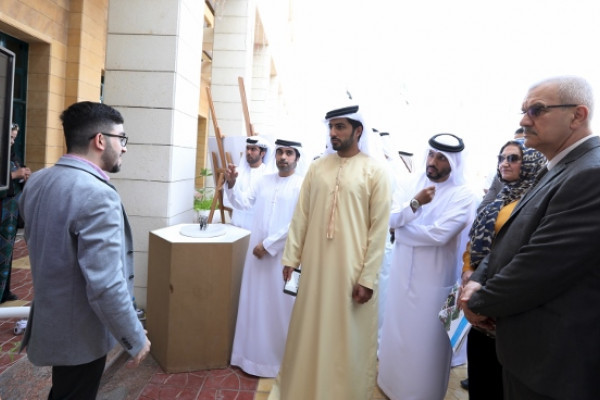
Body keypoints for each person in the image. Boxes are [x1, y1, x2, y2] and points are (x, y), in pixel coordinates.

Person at [460, 76, 600, 399]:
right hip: (527, 354)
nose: (524, 121)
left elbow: (539, 266)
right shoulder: (556, 168)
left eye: (536, 110)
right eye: (523, 111)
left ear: (577, 115)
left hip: (553, 366)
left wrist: (477, 301)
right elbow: (508, 239)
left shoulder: (591, 173)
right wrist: (476, 279)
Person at [18, 101, 151, 399]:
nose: (124, 148)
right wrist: (134, 336)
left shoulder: (37, 180)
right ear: (100, 140)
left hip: (52, 321)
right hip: (81, 333)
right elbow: (107, 284)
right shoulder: (97, 195)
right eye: (121, 138)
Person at [268, 104, 391, 400]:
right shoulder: (317, 168)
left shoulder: (375, 171)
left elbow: (379, 231)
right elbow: (301, 216)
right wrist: (291, 257)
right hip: (314, 269)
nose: (333, 133)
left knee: (347, 338)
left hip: (352, 273)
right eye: (331, 127)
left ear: (357, 131)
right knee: (308, 331)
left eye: (340, 127)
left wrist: (367, 278)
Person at [377, 133, 476, 400]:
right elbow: (389, 218)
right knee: (396, 334)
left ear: (454, 162)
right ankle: (389, 384)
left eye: (441, 157)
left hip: (434, 282)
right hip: (401, 276)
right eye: (431, 154)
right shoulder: (411, 183)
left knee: (426, 345)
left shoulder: (464, 194)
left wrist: (400, 231)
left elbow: (439, 235)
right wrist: (415, 203)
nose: (433, 161)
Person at [461, 140, 546, 399]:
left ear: (530, 164)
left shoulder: (535, 203)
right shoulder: (500, 197)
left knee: (498, 381)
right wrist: (468, 269)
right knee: (480, 372)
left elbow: (516, 251)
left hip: (503, 299)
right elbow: (475, 239)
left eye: (513, 158)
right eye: (501, 158)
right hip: (477, 291)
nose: (504, 164)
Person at [225, 139, 304, 377]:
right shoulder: (263, 181)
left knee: (283, 308)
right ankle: (250, 359)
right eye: (280, 152)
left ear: (297, 158)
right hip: (257, 257)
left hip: (287, 258)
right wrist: (232, 184)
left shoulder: (303, 185)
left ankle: (280, 363)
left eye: (289, 153)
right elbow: (242, 203)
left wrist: (268, 245)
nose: (283, 157)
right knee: (255, 305)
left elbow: (300, 222)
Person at [0, 123, 31, 303]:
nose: (12, 142)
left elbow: (16, 169)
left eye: (14, 138)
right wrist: (13, 175)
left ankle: (4, 291)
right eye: (10, 137)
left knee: (6, 255)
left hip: (9, 218)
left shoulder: (9, 154)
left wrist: (24, 173)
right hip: (3, 213)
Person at [224, 135, 273, 229]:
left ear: (262, 153)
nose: (249, 152)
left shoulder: (267, 175)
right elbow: (227, 201)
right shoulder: (237, 172)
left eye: (253, 149)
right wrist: (231, 182)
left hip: (255, 227)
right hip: (236, 224)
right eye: (247, 148)